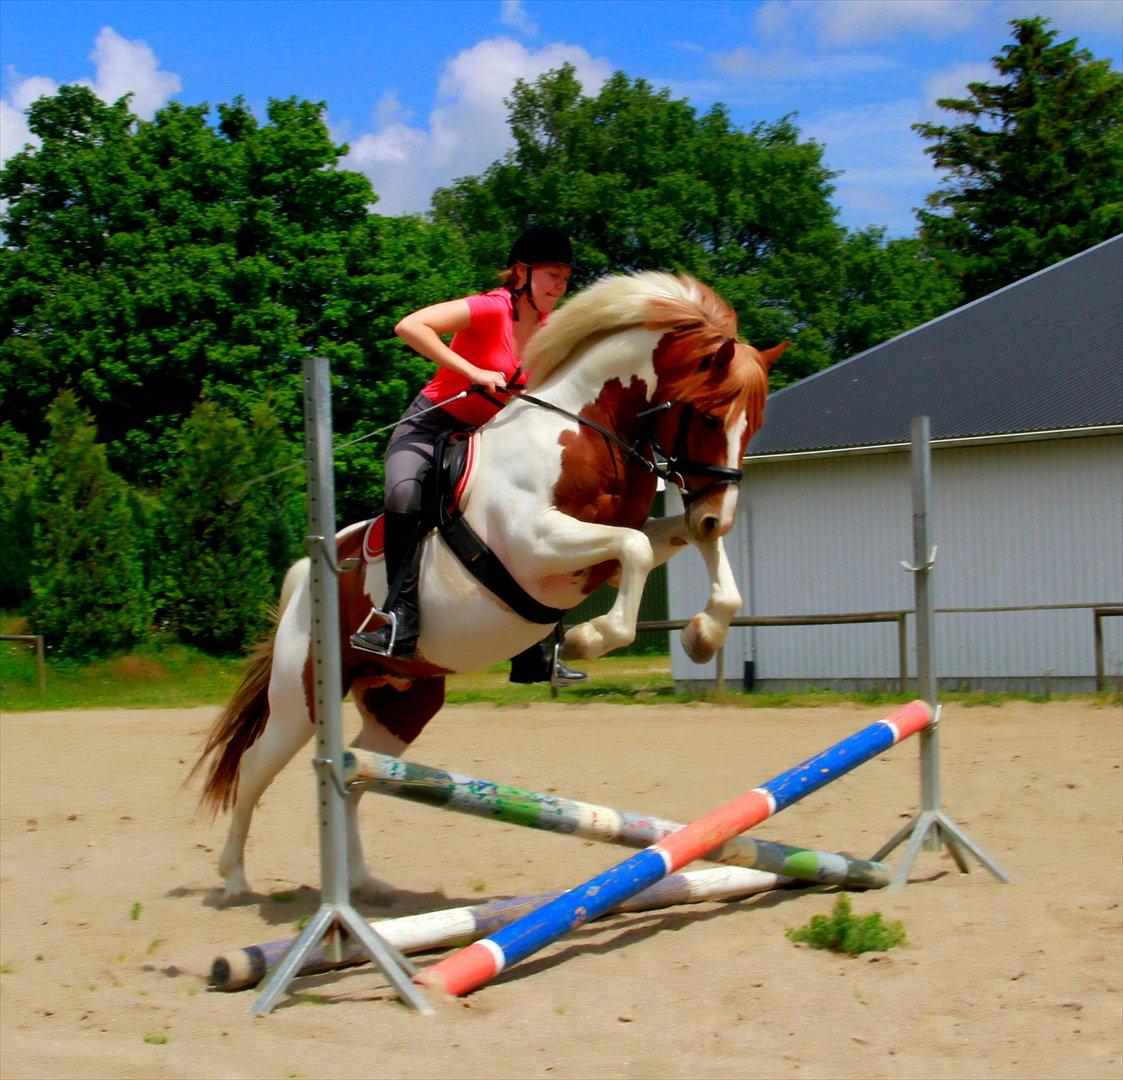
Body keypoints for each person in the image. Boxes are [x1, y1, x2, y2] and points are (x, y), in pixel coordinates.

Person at [350, 226, 588, 686]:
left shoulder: (550, 330)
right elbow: (409, 326)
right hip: (430, 427)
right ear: (522, 273)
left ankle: (539, 648)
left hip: (487, 435)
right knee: (403, 495)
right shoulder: (490, 307)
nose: (559, 286)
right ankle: (399, 619)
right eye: (551, 276)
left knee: (539, 508)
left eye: (565, 278)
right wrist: (471, 370)